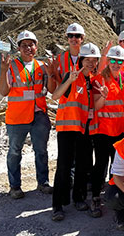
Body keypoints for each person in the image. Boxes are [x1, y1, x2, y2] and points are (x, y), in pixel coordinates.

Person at [0, 30, 55, 199]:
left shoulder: (41, 67)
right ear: (19, 48)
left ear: (36, 47)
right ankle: (15, 186)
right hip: (17, 117)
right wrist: (3, 71)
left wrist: (51, 73)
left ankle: (43, 182)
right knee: (15, 152)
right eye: (24, 45)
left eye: (31, 45)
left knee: (41, 151)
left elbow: (51, 89)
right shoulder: (12, 66)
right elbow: (3, 91)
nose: (28, 48)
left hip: (39, 115)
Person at [51, 43, 101, 221]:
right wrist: (69, 81)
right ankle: (58, 205)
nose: (91, 63)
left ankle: (78, 199)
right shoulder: (72, 76)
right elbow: (55, 96)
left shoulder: (91, 81)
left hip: (84, 129)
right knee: (64, 167)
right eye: (88, 60)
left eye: (94, 60)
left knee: (83, 166)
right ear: (81, 60)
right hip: (67, 129)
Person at [88, 45, 124, 218]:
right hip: (103, 131)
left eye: (119, 61)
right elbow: (96, 106)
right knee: (100, 164)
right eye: (113, 60)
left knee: (118, 166)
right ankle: (96, 197)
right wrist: (104, 96)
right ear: (107, 61)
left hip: (122, 131)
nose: (116, 64)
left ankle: (116, 196)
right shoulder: (99, 80)